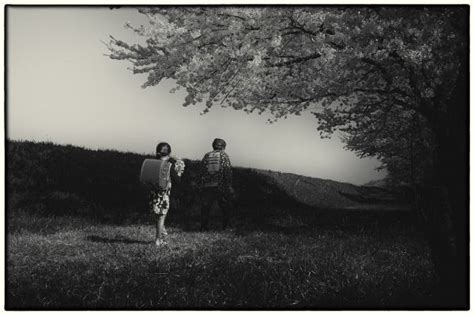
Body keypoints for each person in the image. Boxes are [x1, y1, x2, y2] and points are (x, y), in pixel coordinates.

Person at [148, 142, 185, 246]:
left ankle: (162, 236)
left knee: (157, 217)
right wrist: (179, 171)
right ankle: (158, 240)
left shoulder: (153, 163)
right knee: (161, 217)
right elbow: (177, 180)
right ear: (169, 153)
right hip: (163, 196)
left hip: (153, 195)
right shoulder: (169, 166)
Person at [198, 138, 234, 231]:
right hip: (220, 186)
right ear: (223, 147)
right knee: (225, 207)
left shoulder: (207, 155)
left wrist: (200, 184)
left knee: (206, 208)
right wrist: (229, 186)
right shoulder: (224, 156)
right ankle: (226, 227)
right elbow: (227, 171)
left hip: (207, 186)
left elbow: (201, 171)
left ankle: (203, 227)